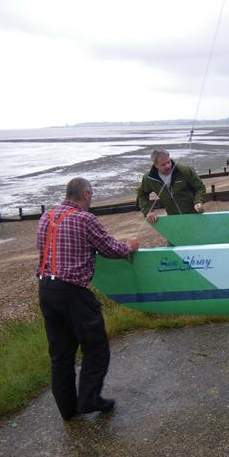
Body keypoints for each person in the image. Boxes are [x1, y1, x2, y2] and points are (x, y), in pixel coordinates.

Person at [37, 177, 139, 420]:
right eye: (90, 196)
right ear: (85, 194)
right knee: (96, 348)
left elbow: (42, 249)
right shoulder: (84, 219)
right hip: (73, 292)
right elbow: (110, 248)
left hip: (46, 289)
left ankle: (68, 409)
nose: (91, 200)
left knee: (60, 354)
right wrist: (130, 246)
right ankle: (89, 399)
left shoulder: (46, 217)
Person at [136, 148, 206, 223]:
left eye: (168, 162)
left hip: (195, 215)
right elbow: (142, 194)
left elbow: (200, 187)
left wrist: (198, 202)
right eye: (163, 164)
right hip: (174, 219)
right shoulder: (149, 178)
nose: (167, 166)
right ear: (155, 165)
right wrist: (148, 211)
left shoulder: (185, 170)